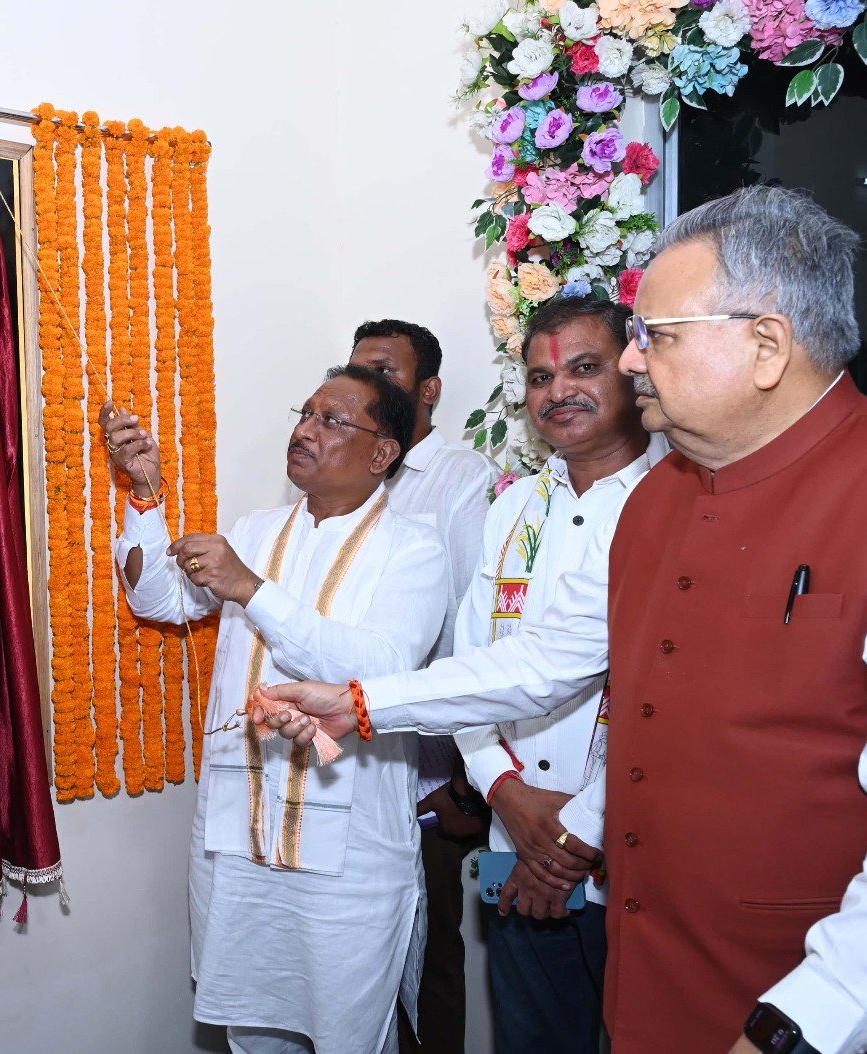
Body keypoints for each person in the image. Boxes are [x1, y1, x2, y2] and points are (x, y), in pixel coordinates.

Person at [259, 185, 867, 1053]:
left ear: (767, 345)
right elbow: (546, 661)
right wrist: (359, 703)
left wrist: (801, 1026)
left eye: (656, 336)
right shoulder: (658, 500)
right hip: (650, 969)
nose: (631, 362)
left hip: (809, 995)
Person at [101, 364, 450, 1054]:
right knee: (254, 1030)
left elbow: (379, 668)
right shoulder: (257, 531)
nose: (306, 431)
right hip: (242, 838)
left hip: (349, 855)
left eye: (332, 420)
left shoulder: (415, 548)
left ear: (383, 453)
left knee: (351, 1032)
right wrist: (145, 493)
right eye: (306, 413)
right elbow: (160, 601)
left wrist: (252, 590)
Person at [452, 295, 656, 1053]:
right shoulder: (513, 511)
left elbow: (669, 700)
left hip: (627, 857)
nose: (559, 391)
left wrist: (572, 835)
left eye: (584, 368)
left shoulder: (672, 502)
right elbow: (471, 670)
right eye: (540, 377)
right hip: (514, 840)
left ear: (633, 370)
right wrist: (506, 795)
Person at [350, 319, 497, 1054]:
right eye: (358, 369)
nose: (368, 384)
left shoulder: (461, 478)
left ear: (429, 389)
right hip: (351, 760)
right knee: (358, 958)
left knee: (429, 956)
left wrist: (459, 781)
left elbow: (475, 629)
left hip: (429, 774)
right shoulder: (349, 472)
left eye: (385, 370)